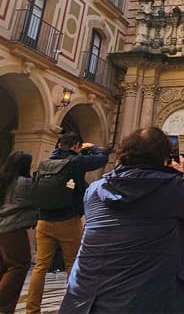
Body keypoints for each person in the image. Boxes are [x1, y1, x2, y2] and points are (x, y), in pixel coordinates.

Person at [59, 126, 184, 313]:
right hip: (147, 300)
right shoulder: (171, 187)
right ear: (163, 156)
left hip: (87, 300)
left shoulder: (94, 190)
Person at [26, 134, 108, 314]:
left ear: (58, 144)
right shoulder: (75, 161)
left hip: (44, 220)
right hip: (68, 220)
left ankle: (32, 310)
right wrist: (91, 147)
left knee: (40, 267)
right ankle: (75, 309)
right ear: (77, 146)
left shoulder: (46, 162)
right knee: (72, 264)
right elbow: (103, 158)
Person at [0, 152, 37, 314]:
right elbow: (38, 200)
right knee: (18, 265)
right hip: (12, 229)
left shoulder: (3, 179)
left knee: (2, 267)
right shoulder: (24, 183)